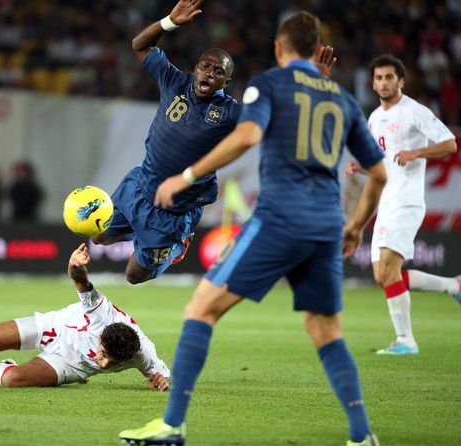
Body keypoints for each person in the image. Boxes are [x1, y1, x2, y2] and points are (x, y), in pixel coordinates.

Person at [120, 11, 386, 446]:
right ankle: (362, 435)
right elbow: (378, 174)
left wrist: (185, 179)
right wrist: (356, 228)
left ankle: (171, 426)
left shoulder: (269, 84)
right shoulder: (340, 99)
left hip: (282, 220)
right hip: (327, 226)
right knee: (325, 330)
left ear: (280, 49)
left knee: (200, 310)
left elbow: (245, 137)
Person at [92, 0, 336, 285]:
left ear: (226, 81)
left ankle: (175, 246)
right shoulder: (174, 81)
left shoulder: (231, 112)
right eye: (205, 66)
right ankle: (141, 231)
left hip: (174, 210)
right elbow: (139, 45)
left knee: (134, 275)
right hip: (139, 186)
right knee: (99, 236)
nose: (209, 72)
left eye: (218, 71)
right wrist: (169, 22)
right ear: (196, 68)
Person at [0, 243, 170, 390]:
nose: (102, 364)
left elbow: (162, 377)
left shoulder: (143, 352)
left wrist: (159, 382)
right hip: (54, 328)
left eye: (112, 363)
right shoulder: (102, 314)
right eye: (104, 355)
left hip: (71, 365)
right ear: (101, 336)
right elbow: (81, 283)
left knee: (12, 380)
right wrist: (75, 267)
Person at [345, 54, 459, 355]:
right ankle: (453, 286)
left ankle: (406, 340)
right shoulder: (374, 118)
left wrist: (417, 152)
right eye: (379, 78)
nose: (384, 82)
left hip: (407, 201)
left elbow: (450, 144)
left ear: (401, 81)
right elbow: (381, 164)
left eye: (389, 77)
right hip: (386, 203)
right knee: (382, 275)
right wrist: (361, 167)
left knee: (388, 269)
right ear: (373, 83)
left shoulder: (414, 111)